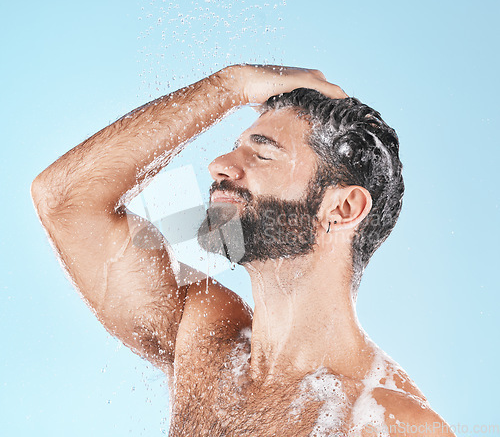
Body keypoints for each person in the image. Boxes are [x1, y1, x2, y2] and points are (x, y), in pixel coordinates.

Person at [31, 65, 453, 436]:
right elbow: (65, 200)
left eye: (263, 153)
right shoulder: (204, 338)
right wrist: (229, 86)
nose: (218, 163)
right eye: (237, 146)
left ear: (342, 208)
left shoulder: (390, 423)